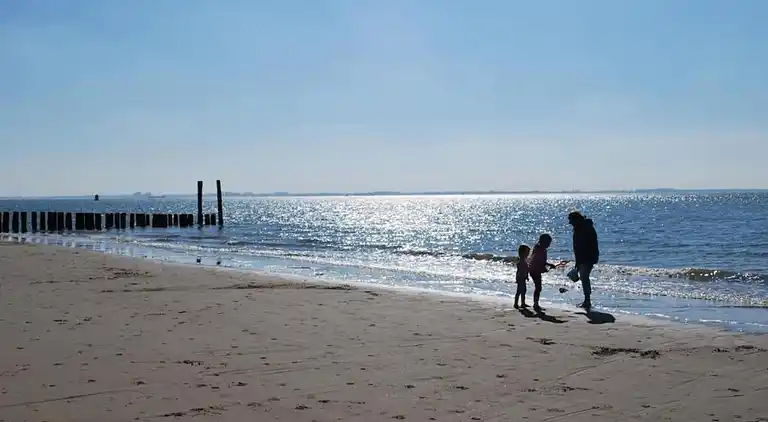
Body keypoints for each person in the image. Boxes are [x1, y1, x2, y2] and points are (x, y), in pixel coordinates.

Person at [568, 211, 599, 309]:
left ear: (576, 219)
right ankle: (587, 300)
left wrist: (580, 260)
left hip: (587, 257)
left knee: (584, 278)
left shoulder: (584, 228)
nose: (570, 223)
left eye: (571, 220)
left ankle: (587, 301)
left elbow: (584, 245)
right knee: (584, 278)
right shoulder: (581, 227)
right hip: (586, 257)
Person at [528, 233, 559, 311]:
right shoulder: (539, 250)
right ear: (543, 242)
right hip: (534, 270)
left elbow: (542, 261)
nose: (549, 245)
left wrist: (549, 265)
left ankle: (536, 303)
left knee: (538, 287)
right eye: (548, 243)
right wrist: (544, 268)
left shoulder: (541, 249)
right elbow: (537, 261)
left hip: (535, 270)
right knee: (538, 287)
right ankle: (535, 304)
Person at [514, 244, 531, 309]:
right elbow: (521, 270)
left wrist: (526, 276)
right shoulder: (521, 261)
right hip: (520, 278)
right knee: (519, 291)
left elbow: (525, 270)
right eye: (527, 253)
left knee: (523, 290)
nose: (528, 255)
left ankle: (522, 303)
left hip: (522, 278)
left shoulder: (523, 261)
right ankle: (516, 304)